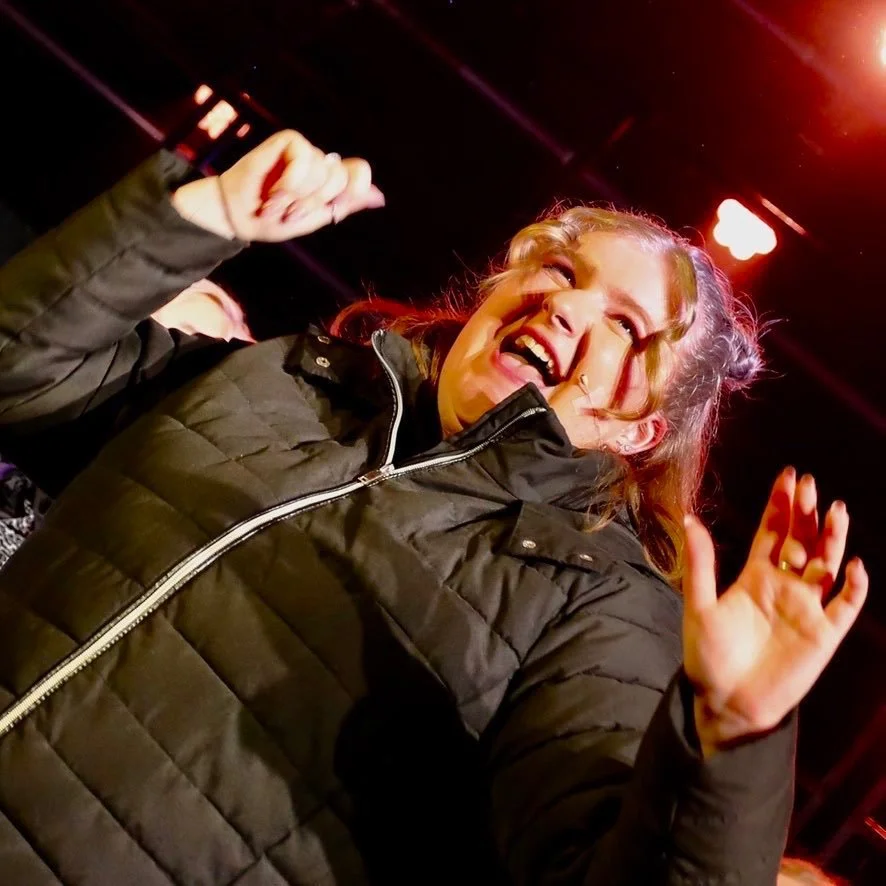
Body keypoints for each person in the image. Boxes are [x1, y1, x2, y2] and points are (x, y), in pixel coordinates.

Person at [0, 130, 867, 885]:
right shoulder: (282, 383)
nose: (563, 302)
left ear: (641, 430)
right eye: (559, 269)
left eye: (626, 326)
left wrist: (728, 750)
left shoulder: (594, 601)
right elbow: (18, 374)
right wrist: (202, 216)